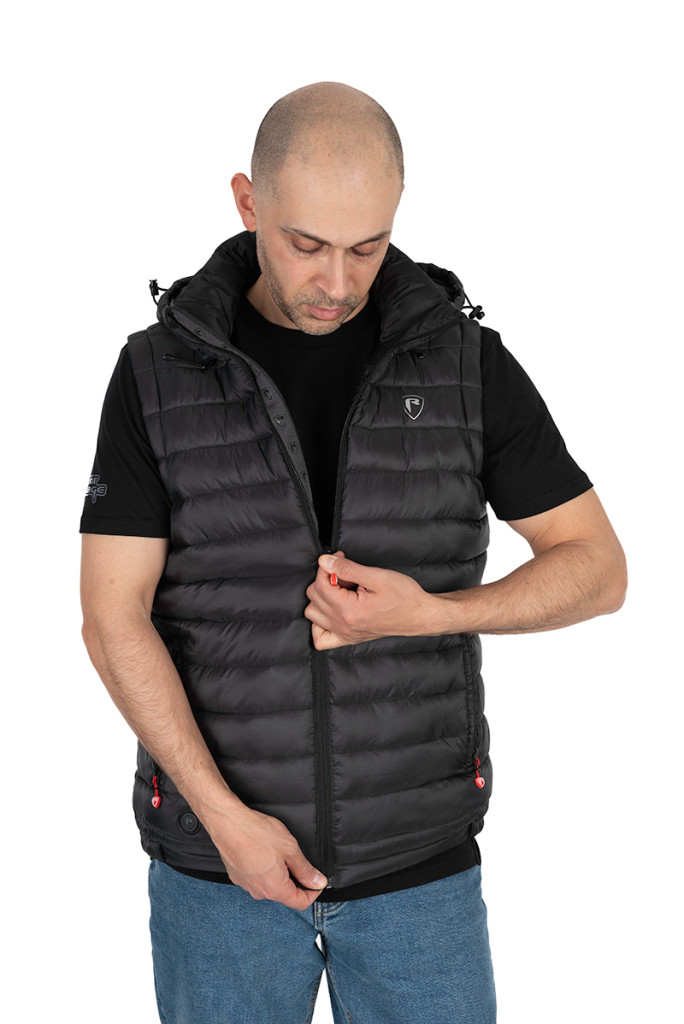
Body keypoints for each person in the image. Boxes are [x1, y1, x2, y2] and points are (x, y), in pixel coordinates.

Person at [80, 81, 627, 1024]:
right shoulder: (155, 374)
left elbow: (598, 566)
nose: (337, 282)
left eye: (367, 248)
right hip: (220, 876)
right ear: (248, 203)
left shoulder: (464, 363)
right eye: (307, 245)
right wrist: (226, 823)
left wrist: (434, 613)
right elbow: (110, 615)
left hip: (420, 873)